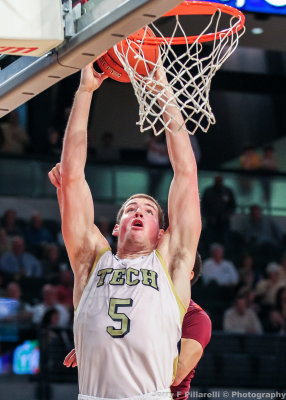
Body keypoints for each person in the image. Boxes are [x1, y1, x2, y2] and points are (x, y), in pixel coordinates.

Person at [48, 60, 201, 399]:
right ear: (116, 227)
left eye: (148, 210)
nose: (138, 210)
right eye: (131, 207)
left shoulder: (170, 264)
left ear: (160, 232)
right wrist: (86, 91)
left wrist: (161, 85)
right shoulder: (91, 262)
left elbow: (186, 175)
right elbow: (73, 175)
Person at [64, 254, 212, 400]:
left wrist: (113, 353)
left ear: (189, 274)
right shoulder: (144, 303)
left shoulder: (197, 318)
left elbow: (178, 375)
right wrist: (99, 346)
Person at [201, 175, 236, 247]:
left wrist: (225, 216)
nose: (219, 182)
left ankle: (224, 256)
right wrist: (209, 217)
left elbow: (232, 206)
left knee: (225, 241)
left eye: (220, 180)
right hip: (211, 222)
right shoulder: (208, 191)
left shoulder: (227, 191)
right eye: (217, 180)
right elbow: (203, 206)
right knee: (209, 241)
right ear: (214, 181)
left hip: (224, 222)